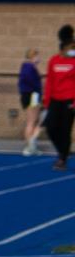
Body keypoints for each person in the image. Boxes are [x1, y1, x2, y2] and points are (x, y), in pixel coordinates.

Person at [44, 25, 75, 172]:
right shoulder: (53, 61)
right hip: (55, 100)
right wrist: (47, 101)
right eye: (71, 48)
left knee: (65, 130)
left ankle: (62, 158)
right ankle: (62, 151)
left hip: (70, 100)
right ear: (63, 49)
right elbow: (50, 81)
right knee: (50, 127)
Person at [19, 48, 44, 157]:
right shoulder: (29, 67)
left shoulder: (27, 67)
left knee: (33, 121)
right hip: (31, 95)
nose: (38, 58)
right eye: (36, 56)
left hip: (31, 95)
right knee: (31, 121)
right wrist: (38, 91)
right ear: (32, 57)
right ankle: (28, 147)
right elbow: (31, 82)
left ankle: (31, 146)